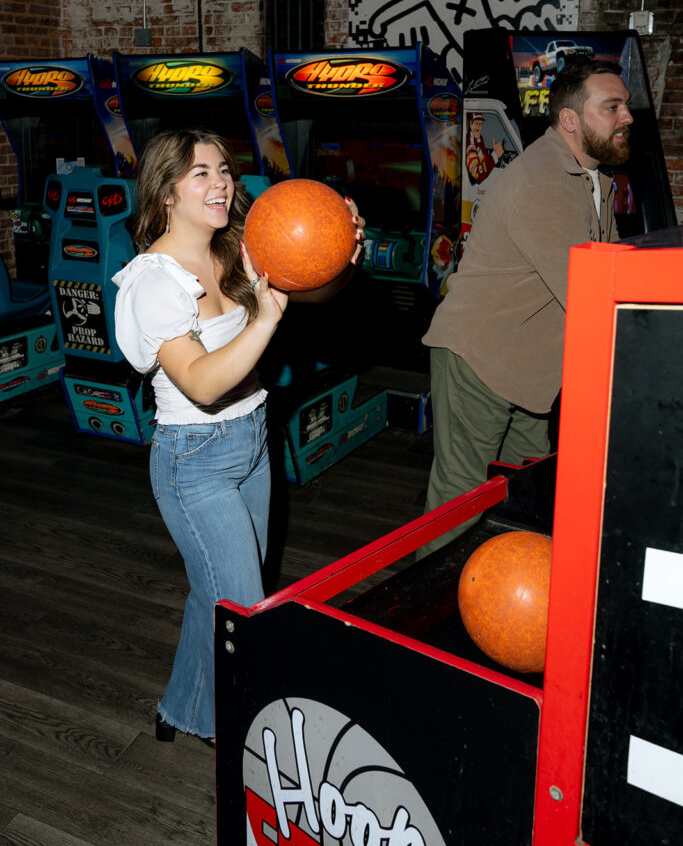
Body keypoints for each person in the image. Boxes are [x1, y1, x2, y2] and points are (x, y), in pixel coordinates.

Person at [112, 127, 363, 744]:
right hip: (193, 461)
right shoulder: (153, 283)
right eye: (201, 173)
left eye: (224, 170)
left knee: (213, 592)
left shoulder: (236, 250)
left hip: (253, 438)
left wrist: (341, 253)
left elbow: (310, 289)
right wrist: (267, 319)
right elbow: (199, 381)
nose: (221, 182)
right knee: (245, 609)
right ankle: (250, 743)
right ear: (166, 191)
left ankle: (185, 710)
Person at [420, 58, 633, 554]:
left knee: (525, 497)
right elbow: (590, 294)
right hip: (479, 358)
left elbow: (617, 270)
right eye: (612, 106)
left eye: (625, 105)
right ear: (571, 121)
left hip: (531, 371)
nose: (627, 117)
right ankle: (424, 616)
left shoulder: (593, 179)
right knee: (460, 499)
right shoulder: (545, 182)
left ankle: (506, 607)